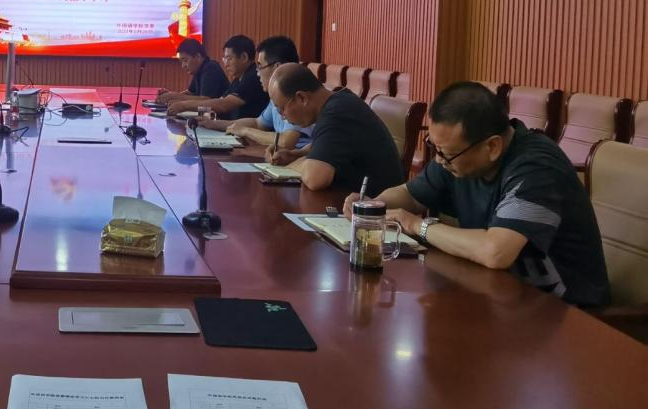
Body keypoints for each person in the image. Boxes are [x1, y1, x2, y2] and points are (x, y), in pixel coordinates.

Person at [343, 82, 610, 307]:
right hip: (499, 295)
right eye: (435, 148)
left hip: (564, 311)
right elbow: (410, 195)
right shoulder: (457, 157)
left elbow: (496, 251)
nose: (439, 160)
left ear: (492, 147)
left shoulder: (537, 168)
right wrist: (371, 206)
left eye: (446, 154)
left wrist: (416, 225)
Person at [265, 63, 404, 196]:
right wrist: (294, 155)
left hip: (373, 206)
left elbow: (314, 179)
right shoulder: (339, 100)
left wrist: (292, 164)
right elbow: (325, 145)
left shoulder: (337, 113)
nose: (282, 116)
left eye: (281, 109)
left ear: (302, 98)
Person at [203, 35, 313, 149]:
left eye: (260, 66)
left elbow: (286, 141)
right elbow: (258, 123)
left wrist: (246, 131)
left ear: (277, 68)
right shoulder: (277, 95)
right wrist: (214, 124)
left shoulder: (295, 93)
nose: (257, 72)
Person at [167, 35, 268, 119]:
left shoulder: (252, 76)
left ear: (244, 57)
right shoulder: (238, 79)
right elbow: (218, 102)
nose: (226, 64)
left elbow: (223, 105)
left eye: (229, 58)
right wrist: (202, 115)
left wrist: (184, 105)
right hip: (233, 127)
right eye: (224, 59)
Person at [156, 38, 228, 104]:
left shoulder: (210, 68)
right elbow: (190, 93)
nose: (183, 66)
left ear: (198, 56)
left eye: (185, 60)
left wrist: (173, 96)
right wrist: (169, 95)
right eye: (181, 62)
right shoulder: (199, 69)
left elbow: (205, 100)